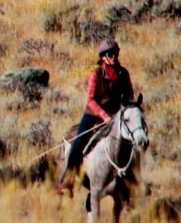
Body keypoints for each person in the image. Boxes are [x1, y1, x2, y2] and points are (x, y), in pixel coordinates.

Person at [57, 39, 134, 196]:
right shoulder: (95, 74)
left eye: (115, 53)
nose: (114, 56)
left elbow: (129, 96)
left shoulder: (123, 73)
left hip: (116, 114)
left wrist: (127, 111)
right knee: (79, 141)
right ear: (103, 57)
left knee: (133, 139)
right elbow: (91, 100)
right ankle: (68, 180)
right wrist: (104, 116)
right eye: (110, 54)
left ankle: (133, 180)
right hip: (94, 114)